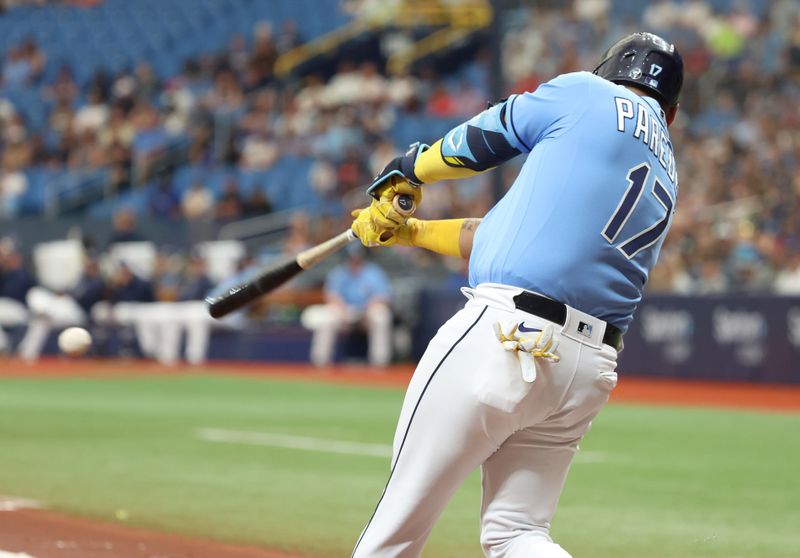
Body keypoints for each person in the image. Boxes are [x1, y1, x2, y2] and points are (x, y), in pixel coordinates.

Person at [348, 33, 683, 557]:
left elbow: (487, 135)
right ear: (673, 111)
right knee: (518, 535)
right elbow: (494, 236)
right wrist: (409, 231)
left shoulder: (585, 94)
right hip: (586, 367)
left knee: (395, 531)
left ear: (606, 70)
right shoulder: (666, 166)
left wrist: (413, 168)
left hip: (504, 333)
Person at [301, 244, 392, 367]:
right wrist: (343, 311)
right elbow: (332, 297)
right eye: (351, 257)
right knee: (327, 318)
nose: (355, 260)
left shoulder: (373, 272)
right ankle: (320, 362)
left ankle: (380, 362)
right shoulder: (339, 273)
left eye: (357, 257)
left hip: (367, 312)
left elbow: (382, 297)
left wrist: (366, 310)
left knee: (381, 315)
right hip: (344, 313)